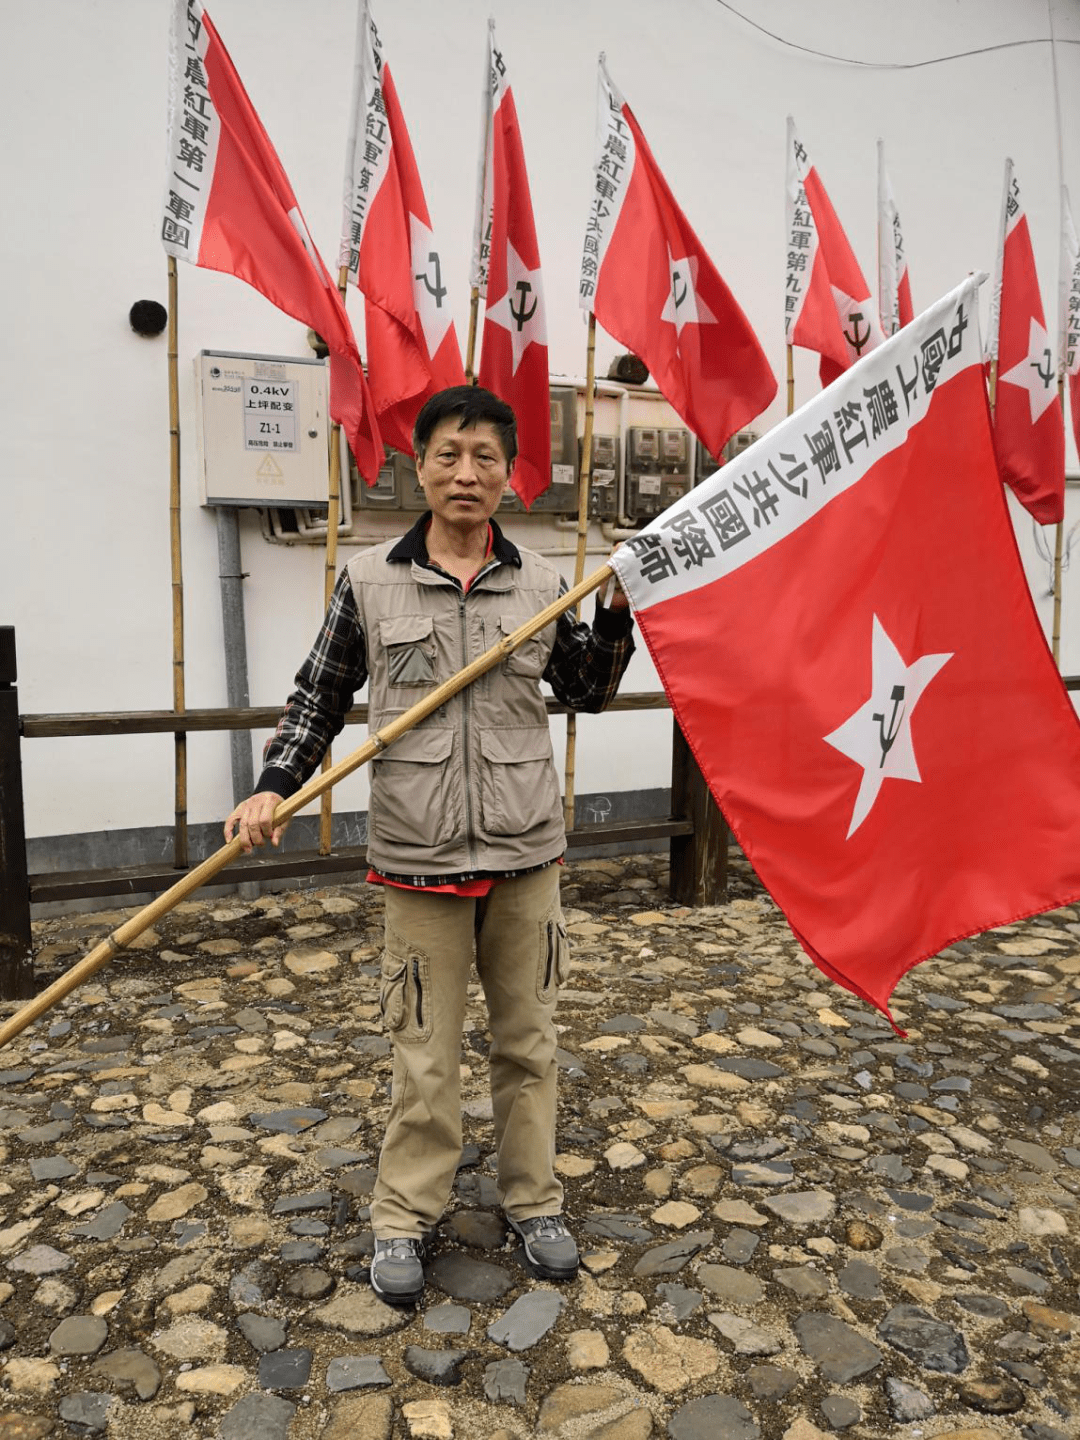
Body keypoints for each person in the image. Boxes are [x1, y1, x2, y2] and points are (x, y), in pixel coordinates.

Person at [224, 385, 635, 1305]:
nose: (467, 473)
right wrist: (274, 784)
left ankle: (535, 1203)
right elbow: (320, 695)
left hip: (527, 853)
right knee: (425, 1051)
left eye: (487, 457)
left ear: (509, 474)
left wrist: (612, 613)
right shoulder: (370, 579)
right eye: (450, 454)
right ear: (420, 465)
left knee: (530, 1045)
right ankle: (404, 1217)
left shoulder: (538, 579)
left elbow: (586, 689)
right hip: (420, 857)